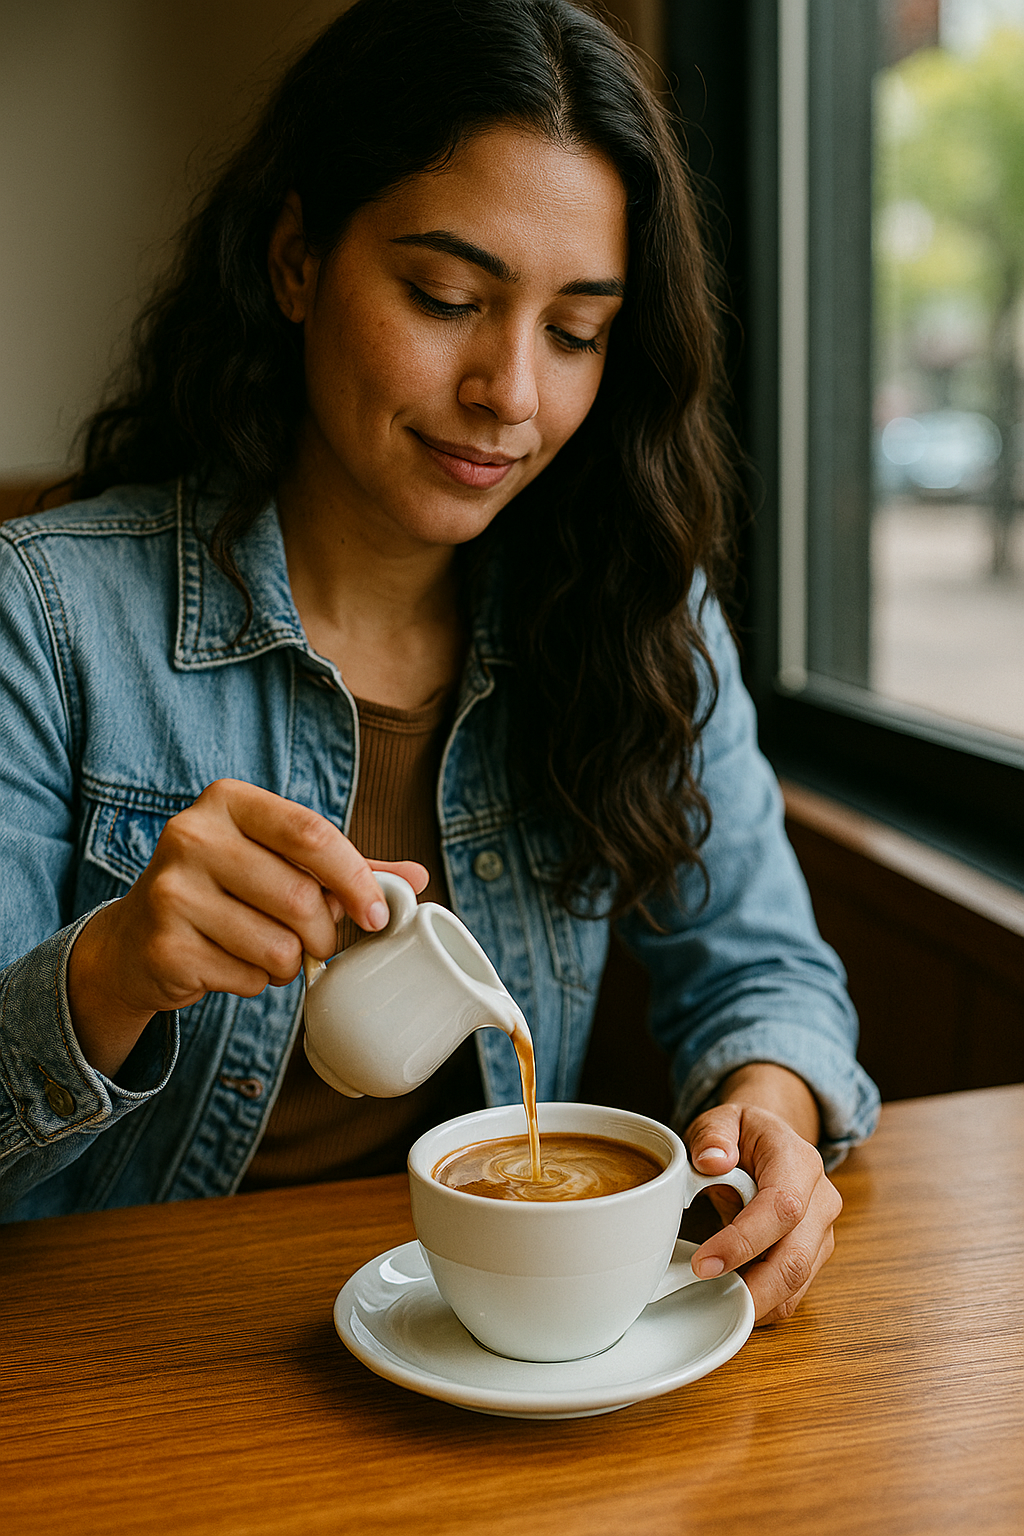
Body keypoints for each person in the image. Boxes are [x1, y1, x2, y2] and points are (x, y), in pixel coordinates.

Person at [0, 0, 878, 1322]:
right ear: (298, 261)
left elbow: (765, 973)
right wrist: (117, 965)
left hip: (467, 1339)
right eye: (449, 298)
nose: (511, 393)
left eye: (576, 331)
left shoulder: (638, 614)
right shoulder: (50, 617)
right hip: (119, 1360)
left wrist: (769, 1111)